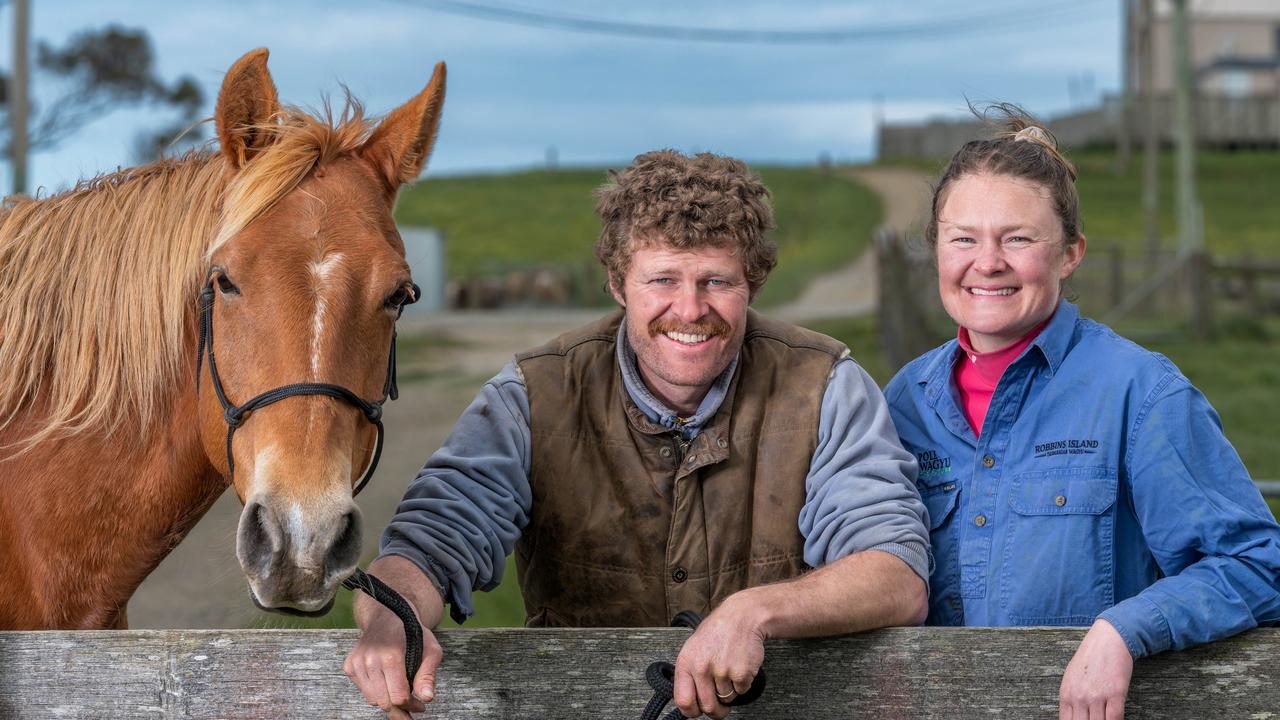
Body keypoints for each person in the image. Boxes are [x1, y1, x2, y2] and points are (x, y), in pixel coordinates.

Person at [345, 150, 930, 719]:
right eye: (663, 279)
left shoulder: (825, 385)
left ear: (753, 282)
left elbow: (895, 571)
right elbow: (433, 537)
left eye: (716, 281)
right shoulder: (533, 393)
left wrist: (755, 612)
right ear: (618, 283)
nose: (690, 307)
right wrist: (393, 617)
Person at [884, 106, 1280, 719]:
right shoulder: (904, 403)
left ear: (1071, 253)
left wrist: (1125, 629)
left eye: (1017, 238)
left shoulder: (1141, 394)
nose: (987, 263)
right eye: (963, 238)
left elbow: (1256, 564)